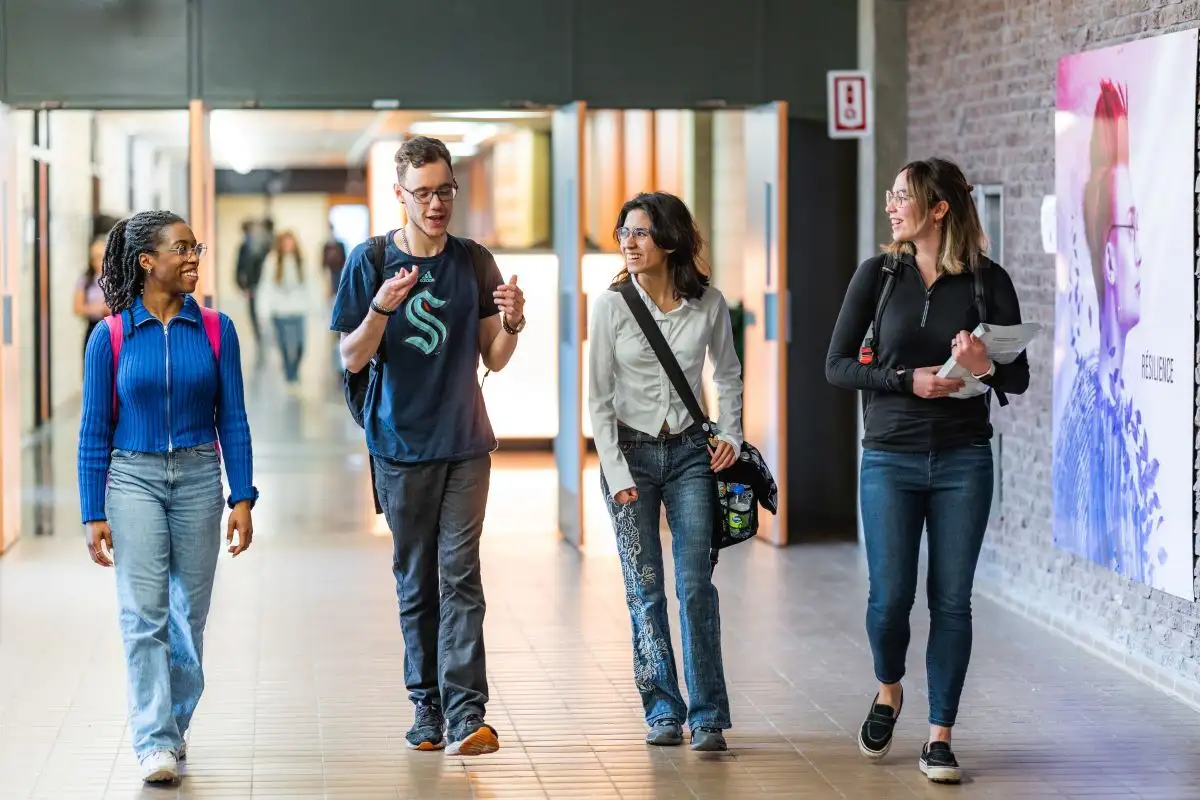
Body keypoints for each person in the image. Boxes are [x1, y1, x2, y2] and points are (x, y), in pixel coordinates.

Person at [825, 158, 1029, 784]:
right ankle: (890, 690)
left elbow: (1016, 378)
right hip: (889, 455)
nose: (892, 206)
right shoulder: (878, 276)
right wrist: (902, 379)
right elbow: (836, 365)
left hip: (965, 459)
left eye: (903, 197)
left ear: (939, 208)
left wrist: (982, 364)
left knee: (952, 600)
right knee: (889, 600)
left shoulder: (987, 282)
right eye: (890, 196)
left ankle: (940, 736)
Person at [331, 136, 524, 756]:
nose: (437, 203)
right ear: (400, 196)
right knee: (416, 579)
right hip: (399, 445)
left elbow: (495, 355)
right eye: (424, 193)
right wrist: (382, 309)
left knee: (461, 575)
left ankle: (468, 714)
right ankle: (427, 707)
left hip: (466, 441)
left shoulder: (473, 260)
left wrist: (515, 321)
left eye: (446, 190)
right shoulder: (369, 262)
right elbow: (351, 356)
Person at [77, 210, 257, 784]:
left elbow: (233, 416)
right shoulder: (110, 336)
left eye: (195, 247)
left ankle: (174, 726)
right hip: (133, 478)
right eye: (180, 249)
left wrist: (243, 495)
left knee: (189, 616)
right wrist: (92, 510)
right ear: (146, 261)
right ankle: (154, 740)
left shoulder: (214, 328)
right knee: (143, 615)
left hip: (202, 477)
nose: (192, 258)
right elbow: (93, 429)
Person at [588, 191, 742, 753]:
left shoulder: (709, 304)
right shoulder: (610, 305)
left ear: (670, 240)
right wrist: (614, 470)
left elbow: (727, 374)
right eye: (623, 232)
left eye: (641, 232)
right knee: (644, 589)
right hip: (628, 458)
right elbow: (598, 400)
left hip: (688, 458)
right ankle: (662, 710)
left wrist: (731, 434)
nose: (628, 242)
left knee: (696, 586)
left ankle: (707, 716)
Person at [1052, 79, 1152, 584]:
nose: (1142, 255)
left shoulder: (1115, 401)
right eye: (1133, 228)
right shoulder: (1092, 411)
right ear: (1109, 262)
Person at [258, 230, 310, 384]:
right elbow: (266, 287)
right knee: (285, 346)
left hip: (298, 310)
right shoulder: (272, 261)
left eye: (291, 242)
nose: (288, 245)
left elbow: (309, 286)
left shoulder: (301, 261)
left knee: (301, 345)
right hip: (279, 311)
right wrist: (264, 311)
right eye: (285, 242)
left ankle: (294, 370)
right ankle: (290, 374)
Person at [75, 235, 111, 359]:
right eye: (94, 257)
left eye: (101, 257)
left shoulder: (117, 278)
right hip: (93, 328)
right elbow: (78, 308)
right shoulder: (86, 279)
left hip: (113, 328)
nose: (98, 261)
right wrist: (100, 308)